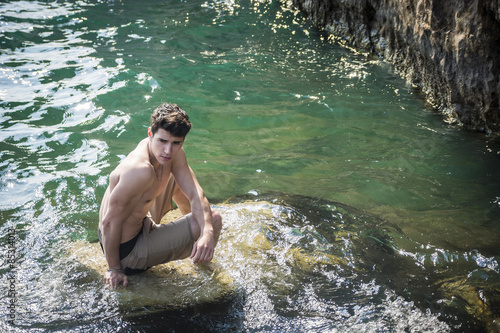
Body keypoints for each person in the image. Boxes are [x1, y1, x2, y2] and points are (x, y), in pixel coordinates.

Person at [98, 103, 222, 288]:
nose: (168, 150)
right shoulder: (139, 170)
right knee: (214, 218)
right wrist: (114, 269)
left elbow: (196, 194)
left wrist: (207, 234)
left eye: (175, 143)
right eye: (162, 141)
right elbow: (108, 222)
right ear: (150, 134)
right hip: (128, 251)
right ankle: (198, 258)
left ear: (182, 141)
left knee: (179, 179)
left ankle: (196, 245)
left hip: (141, 225)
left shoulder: (169, 155)